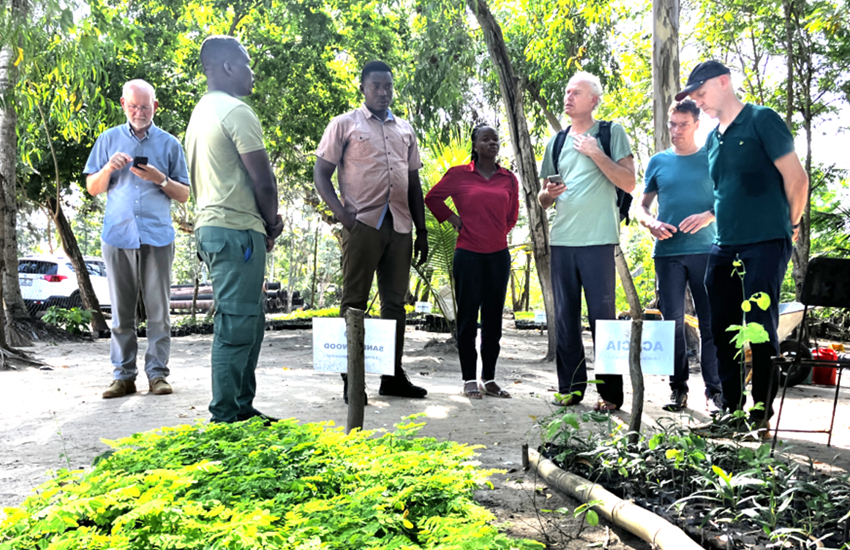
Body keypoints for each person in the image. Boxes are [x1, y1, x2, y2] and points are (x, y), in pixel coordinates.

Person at [678, 60, 809, 435]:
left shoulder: (761, 120)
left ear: (724, 82)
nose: (698, 101)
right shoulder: (714, 139)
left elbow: (796, 180)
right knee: (722, 327)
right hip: (724, 245)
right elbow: (726, 192)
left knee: (758, 327)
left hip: (765, 242)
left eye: (701, 93)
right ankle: (731, 413)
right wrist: (709, 216)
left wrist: (792, 224)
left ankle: (760, 415)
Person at [314, 60, 429, 402]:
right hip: (362, 224)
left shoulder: (404, 130)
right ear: (362, 88)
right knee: (354, 302)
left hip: (400, 225)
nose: (383, 92)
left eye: (388, 86)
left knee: (395, 303)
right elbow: (321, 174)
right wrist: (342, 215)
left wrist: (421, 229)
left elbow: (414, 182)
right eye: (376, 86)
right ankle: (352, 378)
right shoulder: (344, 125)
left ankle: (392, 376)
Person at [184, 35, 284, 424]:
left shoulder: (202, 111)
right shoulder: (235, 111)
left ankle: (242, 407)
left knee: (250, 320)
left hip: (216, 228)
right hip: (235, 229)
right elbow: (264, 182)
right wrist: (272, 224)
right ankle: (225, 417)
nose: (251, 71)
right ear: (226, 67)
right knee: (236, 322)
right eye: (245, 63)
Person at [84, 79, 191, 399]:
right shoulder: (108, 140)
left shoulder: (170, 144)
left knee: (159, 311)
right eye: (133, 106)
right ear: (123, 104)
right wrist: (107, 168)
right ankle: (123, 376)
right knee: (121, 312)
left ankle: (157, 375)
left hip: (157, 237)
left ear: (155, 107)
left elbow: (184, 194)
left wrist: (160, 178)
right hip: (118, 235)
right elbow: (93, 188)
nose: (139, 112)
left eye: (145, 106)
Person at [538, 72, 636, 411]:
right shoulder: (557, 141)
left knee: (603, 320)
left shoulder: (611, 133)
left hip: (598, 240)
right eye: (566, 91)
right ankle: (571, 388)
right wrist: (548, 194)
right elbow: (541, 198)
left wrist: (596, 153)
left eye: (576, 92)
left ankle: (610, 395)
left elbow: (628, 182)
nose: (568, 97)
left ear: (593, 100)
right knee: (565, 317)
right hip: (563, 239)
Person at [636, 99, 722, 413]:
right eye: (672, 124)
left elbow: (728, 197)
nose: (676, 130)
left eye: (683, 124)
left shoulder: (711, 158)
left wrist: (708, 215)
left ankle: (715, 393)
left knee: (710, 324)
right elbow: (642, 206)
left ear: (697, 124)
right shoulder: (658, 162)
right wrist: (651, 222)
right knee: (671, 325)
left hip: (706, 251)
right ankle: (678, 390)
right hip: (668, 254)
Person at [425, 125, 519, 399]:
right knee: (467, 319)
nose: (492, 143)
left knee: (493, 321)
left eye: (495, 139)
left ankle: (488, 378)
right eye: (485, 139)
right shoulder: (458, 175)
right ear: (475, 145)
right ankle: (468, 378)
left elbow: (512, 216)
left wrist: (497, 232)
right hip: (467, 255)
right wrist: (455, 220)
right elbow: (433, 199)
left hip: (498, 256)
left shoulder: (509, 179)